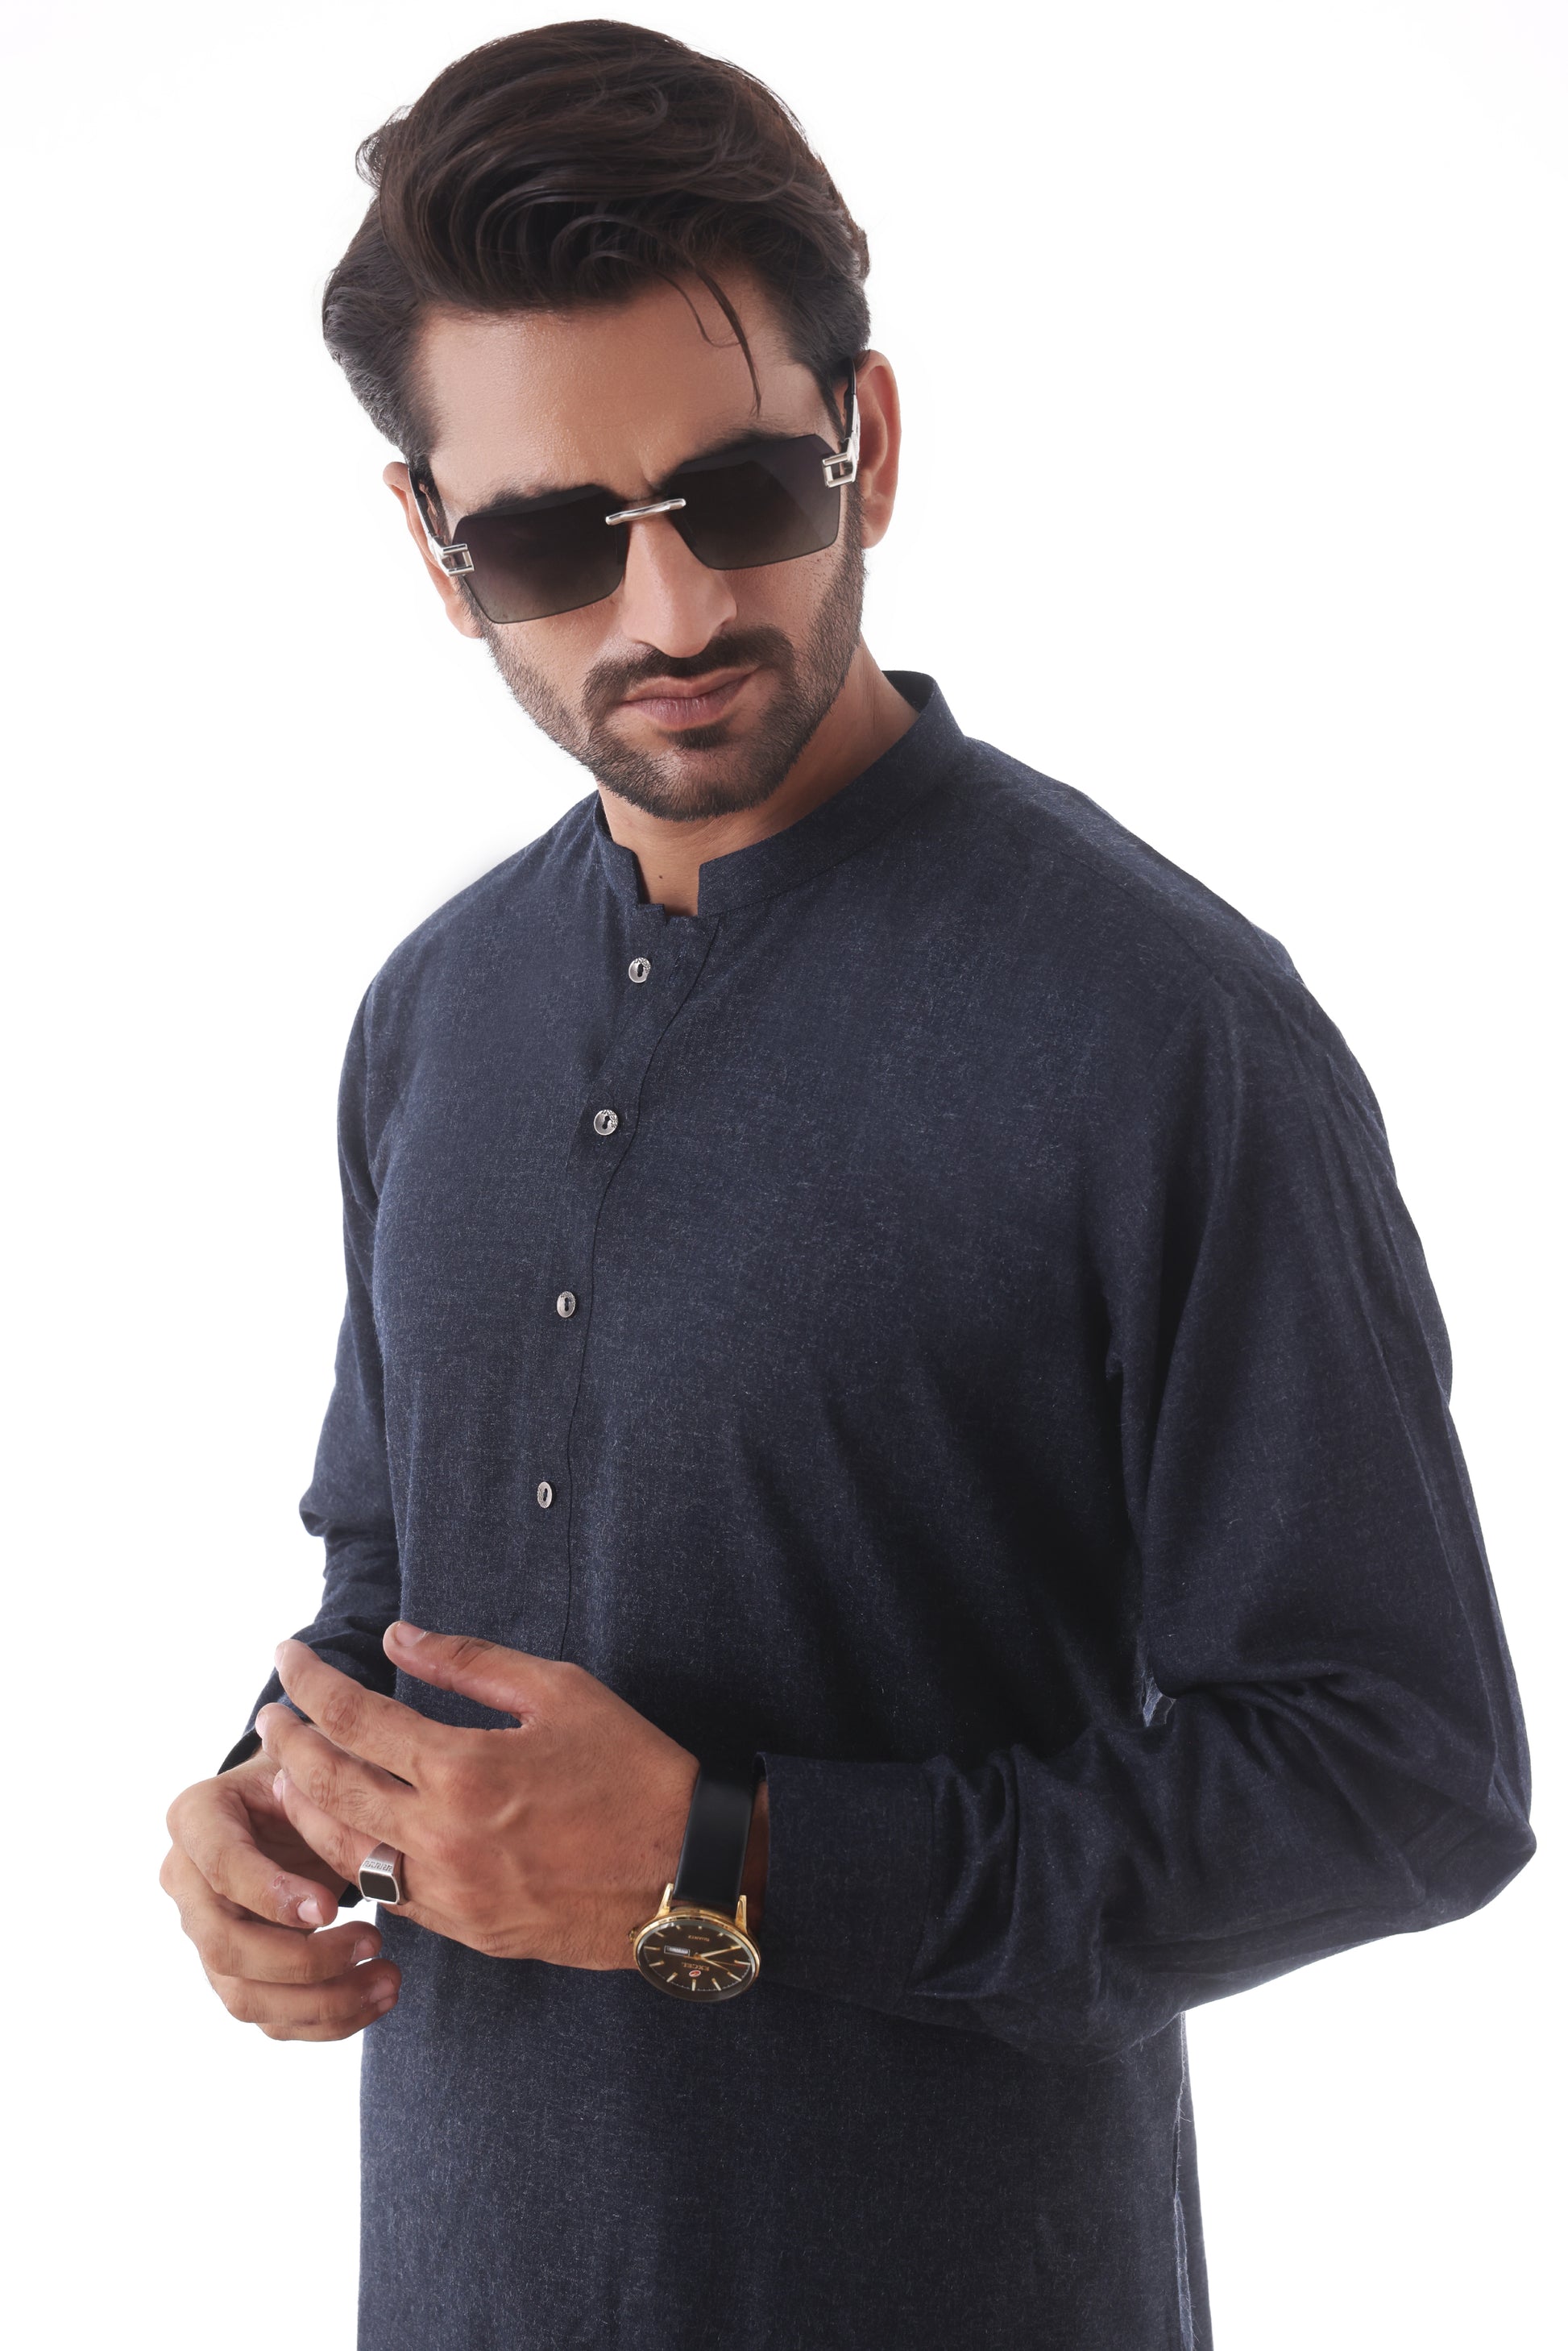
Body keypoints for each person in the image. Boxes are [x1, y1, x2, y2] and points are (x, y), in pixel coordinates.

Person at [159, 22, 1533, 2349]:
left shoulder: (1161, 1028)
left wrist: (731, 1861)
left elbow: (1403, 1779)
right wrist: (267, 1811)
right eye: (548, 539)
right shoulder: (435, 1013)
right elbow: (394, 1593)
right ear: (433, 550)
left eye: (739, 496)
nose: (670, 611)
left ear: (865, 443)